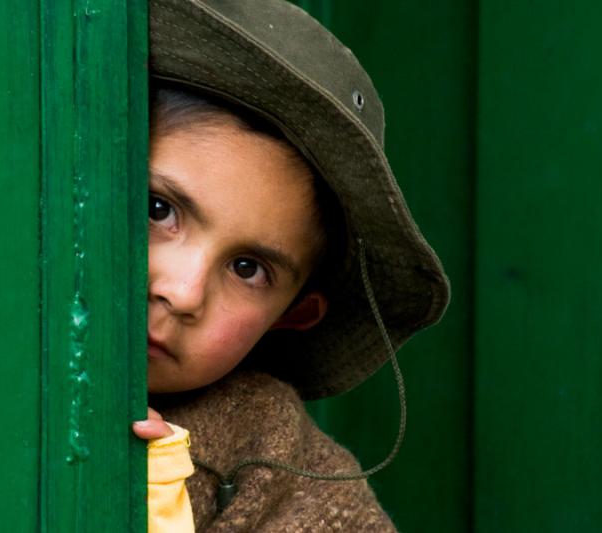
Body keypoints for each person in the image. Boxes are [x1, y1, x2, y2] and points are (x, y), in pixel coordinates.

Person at [132, 0, 450, 531]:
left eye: (247, 268)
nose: (183, 293)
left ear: (292, 314)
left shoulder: (278, 458)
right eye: (157, 209)